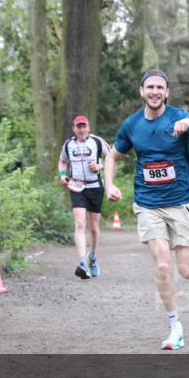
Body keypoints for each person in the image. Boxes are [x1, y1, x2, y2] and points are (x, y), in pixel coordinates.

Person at [105, 69, 189, 350]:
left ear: (167, 92)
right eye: (150, 87)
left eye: (160, 87)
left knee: (187, 272)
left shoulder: (178, 118)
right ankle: (175, 327)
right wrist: (108, 184)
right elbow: (113, 155)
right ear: (142, 91)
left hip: (180, 202)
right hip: (148, 204)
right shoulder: (132, 125)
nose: (155, 91)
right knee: (162, 265)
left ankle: (183, 266)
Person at [58, 115, 111, 279]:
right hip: (77, 186)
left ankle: (92, 257)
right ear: (74, 129)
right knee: (80, 223)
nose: (81, 129)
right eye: (78, 127)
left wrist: (100, 165)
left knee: (94, 227)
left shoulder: (97, 142)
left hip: (95, 186)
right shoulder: (68, 145)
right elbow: (62, 161)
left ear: (88, 128)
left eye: (84, 126)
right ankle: (82, 263)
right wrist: (62, 175)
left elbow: (111, 158)